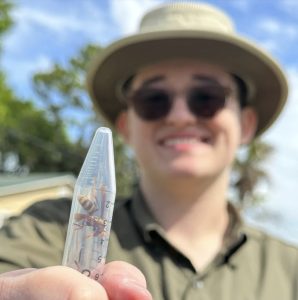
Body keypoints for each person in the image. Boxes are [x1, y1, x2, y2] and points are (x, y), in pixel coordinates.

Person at [0, 2, 297, 299]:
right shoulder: (47, 230)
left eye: (207, 97)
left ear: (245, 124)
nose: (180, 116)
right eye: (153, 99)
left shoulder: (291, 271)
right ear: (126, 126)